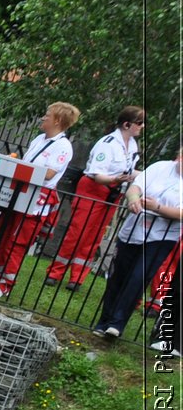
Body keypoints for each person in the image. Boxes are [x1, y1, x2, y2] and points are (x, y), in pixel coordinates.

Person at [0, 102, 80, 299]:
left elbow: (50, 174)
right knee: (1, 234)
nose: (43, 118)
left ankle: (6, 284)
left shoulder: (63, 146)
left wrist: (20, 169)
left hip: (36, 202)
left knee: (17, 242)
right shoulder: (39, 139)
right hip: (19, 192)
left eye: (47, 115)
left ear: (58, 121)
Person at [46, 106, 145, 290]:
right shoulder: (108, 144)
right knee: (77, 233)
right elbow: (97, 174)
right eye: (139, 123)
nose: (142, 126)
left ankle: (77, 278)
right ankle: (55, 272)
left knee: (94, 236)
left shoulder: (132, 145)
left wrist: (148, 175)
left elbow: (129, 170)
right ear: (127, 124)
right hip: (93, 189)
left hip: (113, 192)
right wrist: (116, 178)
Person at [95, 148, 182, 340]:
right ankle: (103, 321)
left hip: (162, 236)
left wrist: (157, 207)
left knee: (137, 278)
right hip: (134, 229)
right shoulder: (160, 167)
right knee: (118, 276)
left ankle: (116, 324)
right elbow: (136, 186)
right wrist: (133, 198)